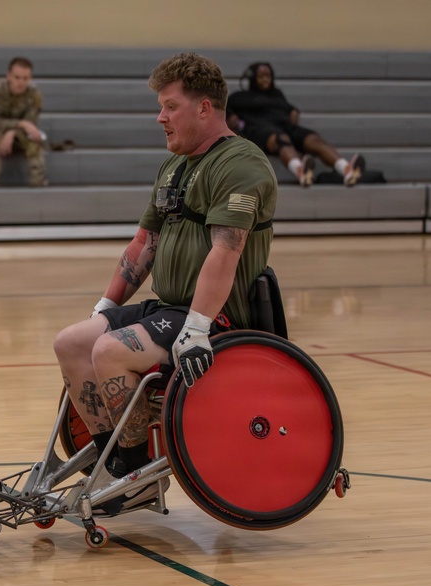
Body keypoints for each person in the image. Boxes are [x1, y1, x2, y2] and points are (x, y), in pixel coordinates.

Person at [53, 53, 277, 513]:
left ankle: (137, 479)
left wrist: (197, 327)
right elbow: (143, 244)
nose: (160, 117)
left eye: (170, 106)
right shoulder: (174, 166)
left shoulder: (241, 164)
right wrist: (103, 306)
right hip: (167, 309)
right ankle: (115, 459)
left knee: (109, 351)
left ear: (204, 108)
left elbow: (226, 249)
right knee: (73, 341)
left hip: (217, 319)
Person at [226, 61, 365, 187]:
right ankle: (301, 171)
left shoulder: (277, 94)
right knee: (281, 140)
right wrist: (233, 120)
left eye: (268, 76)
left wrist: (293, 111)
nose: (265, 80)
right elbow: (226, 114)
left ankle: (346, 169)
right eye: (261, 76)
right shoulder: (239, 97)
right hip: (261, 130)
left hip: (285, 126)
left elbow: (288, 109)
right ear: (252, 78)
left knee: (313, 139)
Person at [0, 57, 48, 187]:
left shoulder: (34, 95)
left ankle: (38, 182)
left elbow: (31, 124)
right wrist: (20, 124)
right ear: (8, 76)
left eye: (25, 78)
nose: (21, 82)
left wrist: (12, 132)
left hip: (19, 134)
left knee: (35, 140)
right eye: (17, 77)